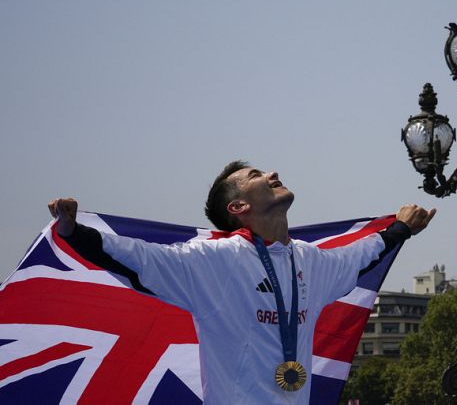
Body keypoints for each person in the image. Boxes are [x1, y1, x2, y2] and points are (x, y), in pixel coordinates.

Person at [49, 160, 436, 405]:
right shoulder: (219, 260)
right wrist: (73, 232)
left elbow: (361, 254)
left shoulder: (310, 261)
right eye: (256, 176)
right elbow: (140, 257)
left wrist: (400, 229)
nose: (272, 174)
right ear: (238, 208)